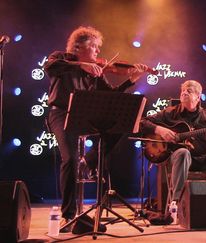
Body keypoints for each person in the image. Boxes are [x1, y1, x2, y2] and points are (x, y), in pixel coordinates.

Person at [44, 26, 148, 232]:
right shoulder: (60, 58)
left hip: (84, 115)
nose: (98, 52)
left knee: (121, 124)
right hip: (61, 114)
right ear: (78, 46)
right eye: (94, 47)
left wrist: (131, 80)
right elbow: (51, 67)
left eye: (98, 48)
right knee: (70, 159)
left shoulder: (95, 72)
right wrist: (82, 65)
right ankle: (69, 215)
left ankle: (89, 160)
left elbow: (112, 96)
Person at [141, 80, 206, 207]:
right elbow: (143, 122)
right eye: (182, 90)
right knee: (183, 152)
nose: (184, 92)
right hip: (176, 158)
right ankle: (176, 203)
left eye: (188, 91)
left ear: (198, 97)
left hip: (201, 159)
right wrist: (160, 130)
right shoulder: (170, 113)